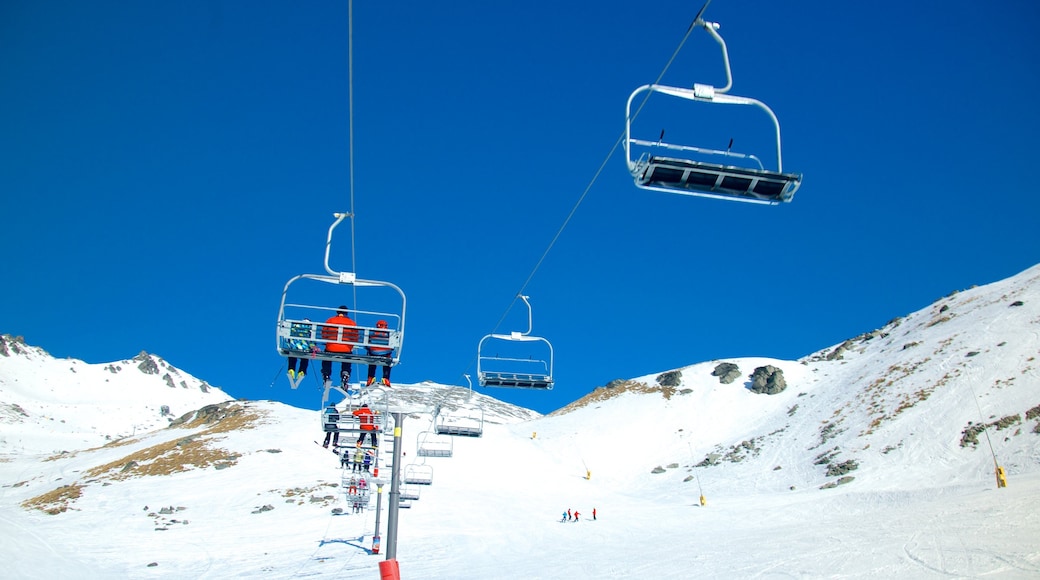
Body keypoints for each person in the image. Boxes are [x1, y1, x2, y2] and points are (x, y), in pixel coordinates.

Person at [320, 306, 360, 386]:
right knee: (347, 358)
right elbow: (356, 337)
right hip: (346, 349)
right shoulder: (352, 323)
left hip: (331, 347)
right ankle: (345, 373)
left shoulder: (330, 320)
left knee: (326, 357)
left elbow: (324, 334)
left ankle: (326, 374)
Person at [365, 319, 394, 387]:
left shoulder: (372, 333)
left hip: (373, 352)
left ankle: (371, 377)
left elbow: (367, 344)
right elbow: (392, 347)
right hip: (386, 353)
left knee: (372, 361)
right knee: (387, 360)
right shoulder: (389, 334)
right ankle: (386, 378)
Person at [286, 318, 315, 383]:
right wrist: (312, 348)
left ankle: (291, 369)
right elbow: (311, 342)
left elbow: (288, 338)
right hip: (304, 349)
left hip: (294, 347)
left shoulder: (295, 326)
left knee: (292, 356)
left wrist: (289, 346)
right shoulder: (310, 328)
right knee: (305, 359)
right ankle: (302, 371)